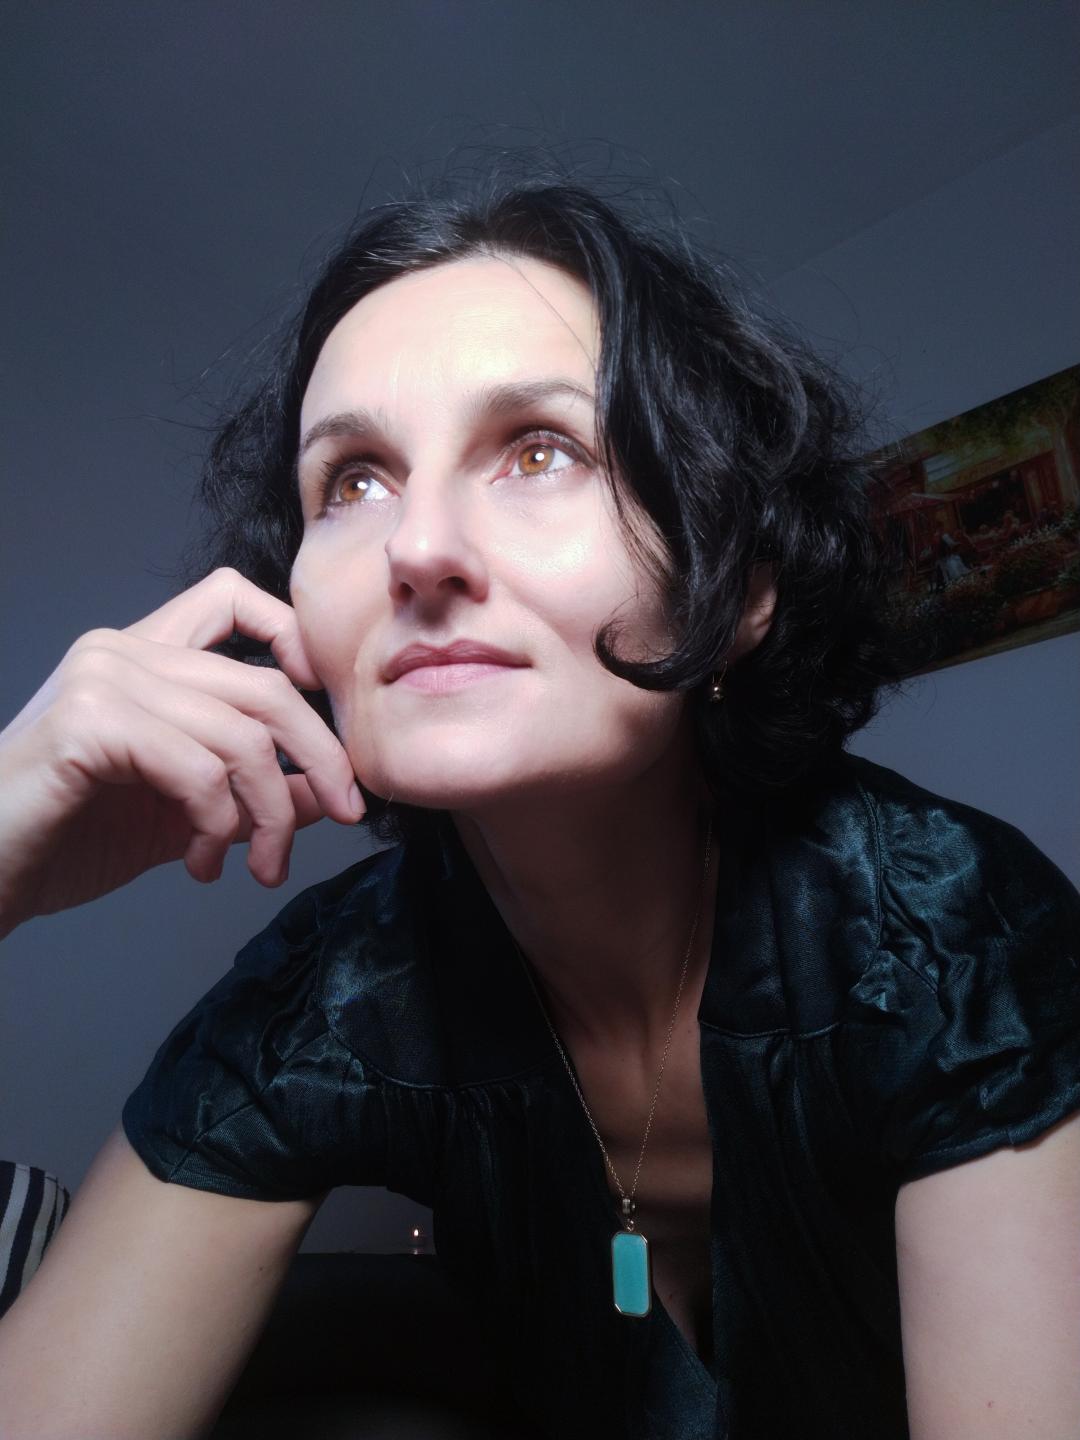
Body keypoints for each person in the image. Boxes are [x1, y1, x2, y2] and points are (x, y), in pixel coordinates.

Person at [1, 168, 1079, 1440]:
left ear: (735, 587)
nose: (414, 549)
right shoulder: (327, 1000)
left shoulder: (947, 937)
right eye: (353, 480)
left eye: (539, 450)